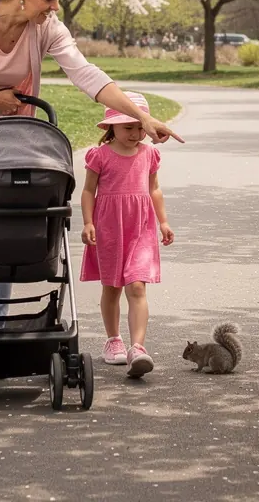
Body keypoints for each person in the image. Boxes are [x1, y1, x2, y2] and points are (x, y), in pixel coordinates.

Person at [0, 0, 182, 348]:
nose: (55, 8)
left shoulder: (47, 28)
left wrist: (142, 117)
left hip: (2, 136)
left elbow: (87, 74)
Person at [80, 92, 174, 379]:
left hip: (141, 227)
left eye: (139, 127)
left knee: (137, 286)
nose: (134, 134)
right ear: (112, 127)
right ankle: (113, 340)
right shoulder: (100, 155)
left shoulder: (149, 154)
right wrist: (88, 223)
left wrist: (163, 222)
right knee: (112, 287)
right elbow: (88, 191)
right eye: (127, 127)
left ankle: (138, 348)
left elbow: (154, 189)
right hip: (109, 227)